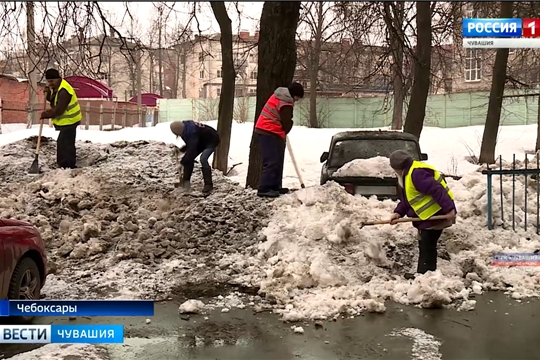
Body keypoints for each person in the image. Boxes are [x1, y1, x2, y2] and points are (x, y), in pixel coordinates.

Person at [388, 150, 457, 280]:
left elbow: (437, 190)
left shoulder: (417, 174)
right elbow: (409, 199)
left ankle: (426, 276)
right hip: (427, 217)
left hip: (437, 214)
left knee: (427, 245)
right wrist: (398, 213)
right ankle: (424, 275)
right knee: (424, 244)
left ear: (396, 168)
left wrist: (449, 209)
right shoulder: (407, 174)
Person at [254, 82, 304, 198]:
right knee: (272, 161)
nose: (296, 101)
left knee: (277, 159)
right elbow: (286, 122)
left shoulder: (278, 96)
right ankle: (264, 188)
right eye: (297, 98)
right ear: (294, 95)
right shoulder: (286, 102)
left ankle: (274, 186)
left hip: (270, 130)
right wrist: (288, 126)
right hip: (267, 131)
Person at [40, 69, 82, 169]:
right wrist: (48, 95)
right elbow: (55, 100)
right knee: (65, 142)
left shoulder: (64, 90)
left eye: (51, 81)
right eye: (48, 81)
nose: (50, 84)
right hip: (66, 121)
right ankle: (66, 164)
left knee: (65, 143)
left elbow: (59, 109)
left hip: (70, 120)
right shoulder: (58, 87)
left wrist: (46, 114)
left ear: (58, 79)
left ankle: (67, 165)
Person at [170, 120, 220, 194]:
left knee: (203, 159)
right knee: (189, 159)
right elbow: (191, 144)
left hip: (212, 140)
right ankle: (185, 184)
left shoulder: (191, 132)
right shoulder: (185, 128)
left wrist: (182, 163)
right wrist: (181, 149)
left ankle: (208, 185)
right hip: (200, 141)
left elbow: (192, 147)